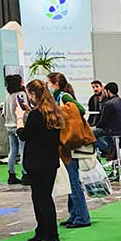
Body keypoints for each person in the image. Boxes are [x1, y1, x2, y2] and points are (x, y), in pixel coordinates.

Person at [15, 79, 62, 241]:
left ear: (33, 94)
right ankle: (42, 232)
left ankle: (50, 236)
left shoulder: (37, 115)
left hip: (37, 162)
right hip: (50, 162)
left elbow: (24, 135)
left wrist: (20, 119)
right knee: (44, 198)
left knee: (41, 200)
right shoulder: (53, 112)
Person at [47, 72, 92, 229]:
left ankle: (82, 217)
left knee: (73, 181)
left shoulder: (64, 97)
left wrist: (60, 113)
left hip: (70, 144)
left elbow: (79, 110)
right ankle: (74, 215)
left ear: (56, 84)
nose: (48, 86)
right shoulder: (58, 97)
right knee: (70, 180)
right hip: (68, 144)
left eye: (49, 83)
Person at [93, 81, 121, 161]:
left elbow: (103, 121)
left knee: (91, 134)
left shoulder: (108, 104)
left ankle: (110, 149)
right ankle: (120, 155)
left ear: (108, 91)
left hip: (113, 130)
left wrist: (96, 127)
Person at [3, 74, 28, 185]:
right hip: (19, 125)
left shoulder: (8, 95)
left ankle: (11, 174)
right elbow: (24, 109)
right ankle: (25, 174)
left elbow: (3, 112)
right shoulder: (21, 94)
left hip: (8, 126)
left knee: (12, 151)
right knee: (23, 151)